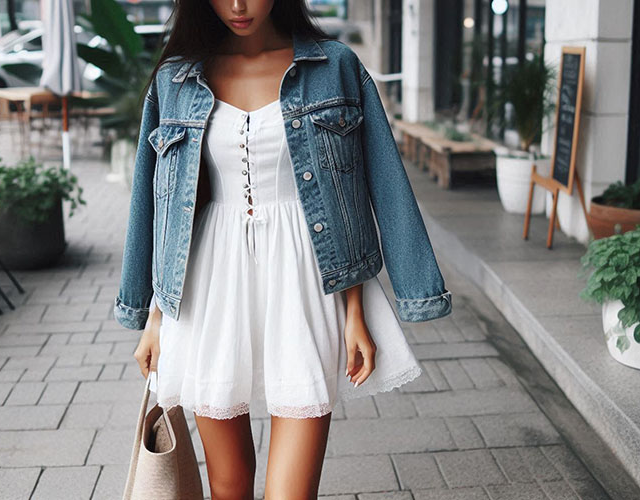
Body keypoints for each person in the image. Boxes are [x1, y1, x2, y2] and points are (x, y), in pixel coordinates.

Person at [115, 0, 453, 497]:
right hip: (210, 289)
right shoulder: (176, 80)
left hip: (306, 282)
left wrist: (355, 308)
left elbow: (371, 188)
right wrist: (154, 318)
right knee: (228, 485)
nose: (236, 5)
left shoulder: (335, 67)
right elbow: (156, 205)